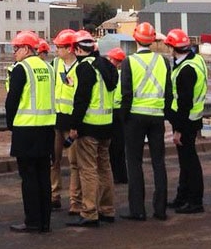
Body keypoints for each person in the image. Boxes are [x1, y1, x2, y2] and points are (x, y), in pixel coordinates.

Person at [120, 22, 172, 221]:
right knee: (159, 163)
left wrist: (123, 119)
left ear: (135, 38)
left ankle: (138, 210)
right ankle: (160, 210)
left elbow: (126, 94)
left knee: (134, 163)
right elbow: (168, 92)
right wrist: (165, 114)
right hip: (157, 117)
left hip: (135, 117)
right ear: (152, 40)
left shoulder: (129, 62)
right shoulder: (163, 61)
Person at [5, 31, 56, 233]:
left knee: (29, 179)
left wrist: (11, 124)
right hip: (46, 129)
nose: (14, 53)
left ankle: (32, 221)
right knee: (44, 176)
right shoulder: (48, 68)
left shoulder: (21, 69)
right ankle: (45, 221)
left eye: (16, 49)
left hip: (26, 130)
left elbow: (12, 101)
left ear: (26, 49)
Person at [67, 30, 118, 227]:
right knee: (105, 167)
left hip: (89, 127)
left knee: (88, 170)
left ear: (79, 49)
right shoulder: (105, 64)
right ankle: (107, 209)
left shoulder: (85, 68)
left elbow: (81, 100)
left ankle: (89, 212)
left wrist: (74, 126)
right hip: (107, 125)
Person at [166, 27, 208, 214]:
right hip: (192, 118)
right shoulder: (195, 60)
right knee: (186, 162)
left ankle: (195, 201)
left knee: (190, 162)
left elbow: (184, 102)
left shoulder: (186, 70)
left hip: (186, 121)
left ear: (173, 48)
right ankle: (182, 197)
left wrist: (178, 131)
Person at [50, 28, 81, 214]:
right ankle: (54, 195)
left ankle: (75, 202)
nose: (57, 50)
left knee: (74, 163)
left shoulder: (80, 67)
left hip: (72, 123)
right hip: (56, 120)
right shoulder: (54, 65)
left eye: (60, 47)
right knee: (53, 160)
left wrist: (76, 125)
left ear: (70, 48)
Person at [105, 47, 128, 185]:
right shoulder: (124, 74)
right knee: (119, 148)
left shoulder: (114, 74)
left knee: (114, 148)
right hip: (121, 112)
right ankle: (121, 175)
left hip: (114, 112)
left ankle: (117, 175)